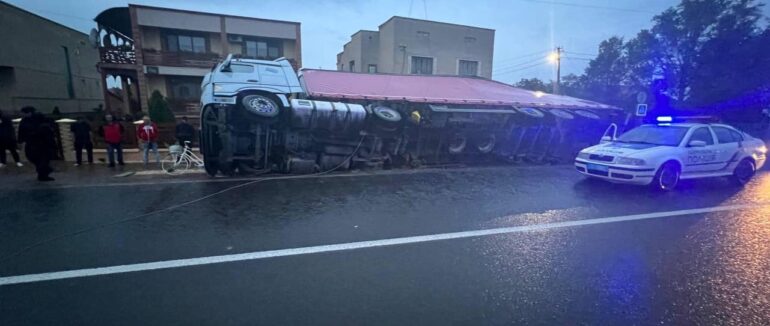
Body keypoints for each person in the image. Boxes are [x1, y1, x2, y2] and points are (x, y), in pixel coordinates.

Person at [22, 109, 56, 181]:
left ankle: (42, 175)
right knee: (43, 162)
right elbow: (49, 138)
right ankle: (43, 175)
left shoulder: (29, 125)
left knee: (39, 162)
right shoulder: (44, 126)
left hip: (31, 148)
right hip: (43, 148)